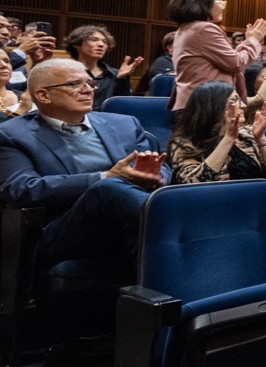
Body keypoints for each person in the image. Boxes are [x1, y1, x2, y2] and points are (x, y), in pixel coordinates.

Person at [0, 59, 168, 268]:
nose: (88, 90)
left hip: (126, 220)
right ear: (43, 95)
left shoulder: (124, 123)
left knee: (147, 233)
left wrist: (154, 175)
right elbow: (22, 189)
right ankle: (175, 220)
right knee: (108, 188)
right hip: (62, 228)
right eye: (74, 84)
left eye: (89, 83)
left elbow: (161, 165)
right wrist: (104, 177)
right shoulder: (12, 134)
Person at [168, 0, 266, 112]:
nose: (223, 7)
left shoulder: (187, 28)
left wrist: (248, 41)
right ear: (204, 3)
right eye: (220, 2)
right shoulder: (204, 29)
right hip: (205, 107)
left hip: (196, 104)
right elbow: (237, 63)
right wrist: (254, 40)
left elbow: (227, 59)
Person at [167, 81, 266, 184]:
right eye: (235, 100)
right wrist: (228, 138)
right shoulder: (183, 143)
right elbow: (191, 184)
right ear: (215, 107)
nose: (243, 105)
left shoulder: (247, 134)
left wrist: (260, 139)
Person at [63, 24, 140, 111]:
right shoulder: (65, 73)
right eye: (94, 40)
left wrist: (122, 80)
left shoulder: (114, 74)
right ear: (77, 44)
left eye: (105, 42)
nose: (101, 44)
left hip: (106, 118)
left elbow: (124, 105)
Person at [0, 52, 33, 120]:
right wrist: (21, 111)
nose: (4, 65)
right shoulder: (24, 103)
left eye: (6, 61)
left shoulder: (24, 97)